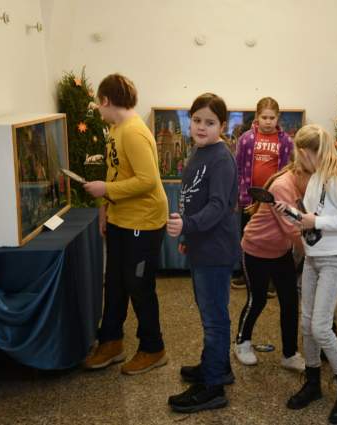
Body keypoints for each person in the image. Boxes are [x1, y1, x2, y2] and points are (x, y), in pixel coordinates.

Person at [278, 124, 337, 424]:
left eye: (297, 154)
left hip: (333, 259)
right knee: (307, 324)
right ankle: (313, 381)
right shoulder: (317, 177)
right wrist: (293, 214)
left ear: (305, 152)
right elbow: (314, 217)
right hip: (314, 256)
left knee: (320, 327)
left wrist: (315, 221)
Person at [82, 73, 169, 375]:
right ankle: (111, 341)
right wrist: (105, 207)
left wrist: (105, 190)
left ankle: (153, 348)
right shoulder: (116, 129)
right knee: (116, 283)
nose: (98, 110)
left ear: (106, 100)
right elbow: (116, 171)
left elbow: (147, 181)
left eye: (99, 104)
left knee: (139, 286)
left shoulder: (133, 132)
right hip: (121, 218)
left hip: (144, 222)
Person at [166, 93, 239, 413]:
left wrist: (187, 225)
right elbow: (192, 197)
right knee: (209, 311)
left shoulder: (221, 158)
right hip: (201, 245)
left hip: (216, 250)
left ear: (222, 125)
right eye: (196, 120)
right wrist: (189, 237)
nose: (201, 127)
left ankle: (212, 386)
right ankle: (217, 365)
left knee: (214, 318)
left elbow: (218, 206)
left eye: (209, 122)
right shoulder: (200, 151)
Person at [233, 160, 310, 371]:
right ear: (301, 172)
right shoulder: (283, 186)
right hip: (255, 251)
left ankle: (289, 354)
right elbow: (291, 228)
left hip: (280, 252)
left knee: (290, 301)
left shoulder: (301, 184)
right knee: (257, 300)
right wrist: (314, 252)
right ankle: (241, 342)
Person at [232, 97, 294, 296]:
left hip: (274, 199)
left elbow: (289, 169)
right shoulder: (246, 139)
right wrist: (237, 193)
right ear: (257, 117)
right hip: (249, 198)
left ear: (278, 118)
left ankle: (271, 279)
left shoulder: (286, 141)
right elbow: (238, 168)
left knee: (273, 237)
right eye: (264, 117)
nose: (268, 121)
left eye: (271, 118)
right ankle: (247, 274)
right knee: (248, 235)